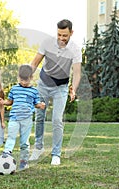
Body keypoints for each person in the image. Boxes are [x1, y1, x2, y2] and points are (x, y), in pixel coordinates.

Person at [29, 19, 82, 165]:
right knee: (39, 116)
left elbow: (77, 73)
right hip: (43, 84)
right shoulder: (47, 43)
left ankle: (56, 153)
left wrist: (74, 89)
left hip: (61, 87)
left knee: (57, 119)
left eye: (64, 35)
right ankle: (38, 148)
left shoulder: (76, 50)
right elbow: (34, 63)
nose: (61, 38)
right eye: (59, 34)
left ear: (71, 33)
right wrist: (25, 78)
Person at [0, 65, 45, 170]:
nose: (23, 82)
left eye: (26, 79)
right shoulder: (14, 89)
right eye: (21, 79)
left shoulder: (34, 91)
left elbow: (36, 103)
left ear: (31, 78)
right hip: (14, 118)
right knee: (11, 136)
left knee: (24, 141)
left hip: (26, 119)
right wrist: (3, 102)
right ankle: (7, 153)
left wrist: (40, 105)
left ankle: (24, 161)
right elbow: (10, 101)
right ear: (18, 77)